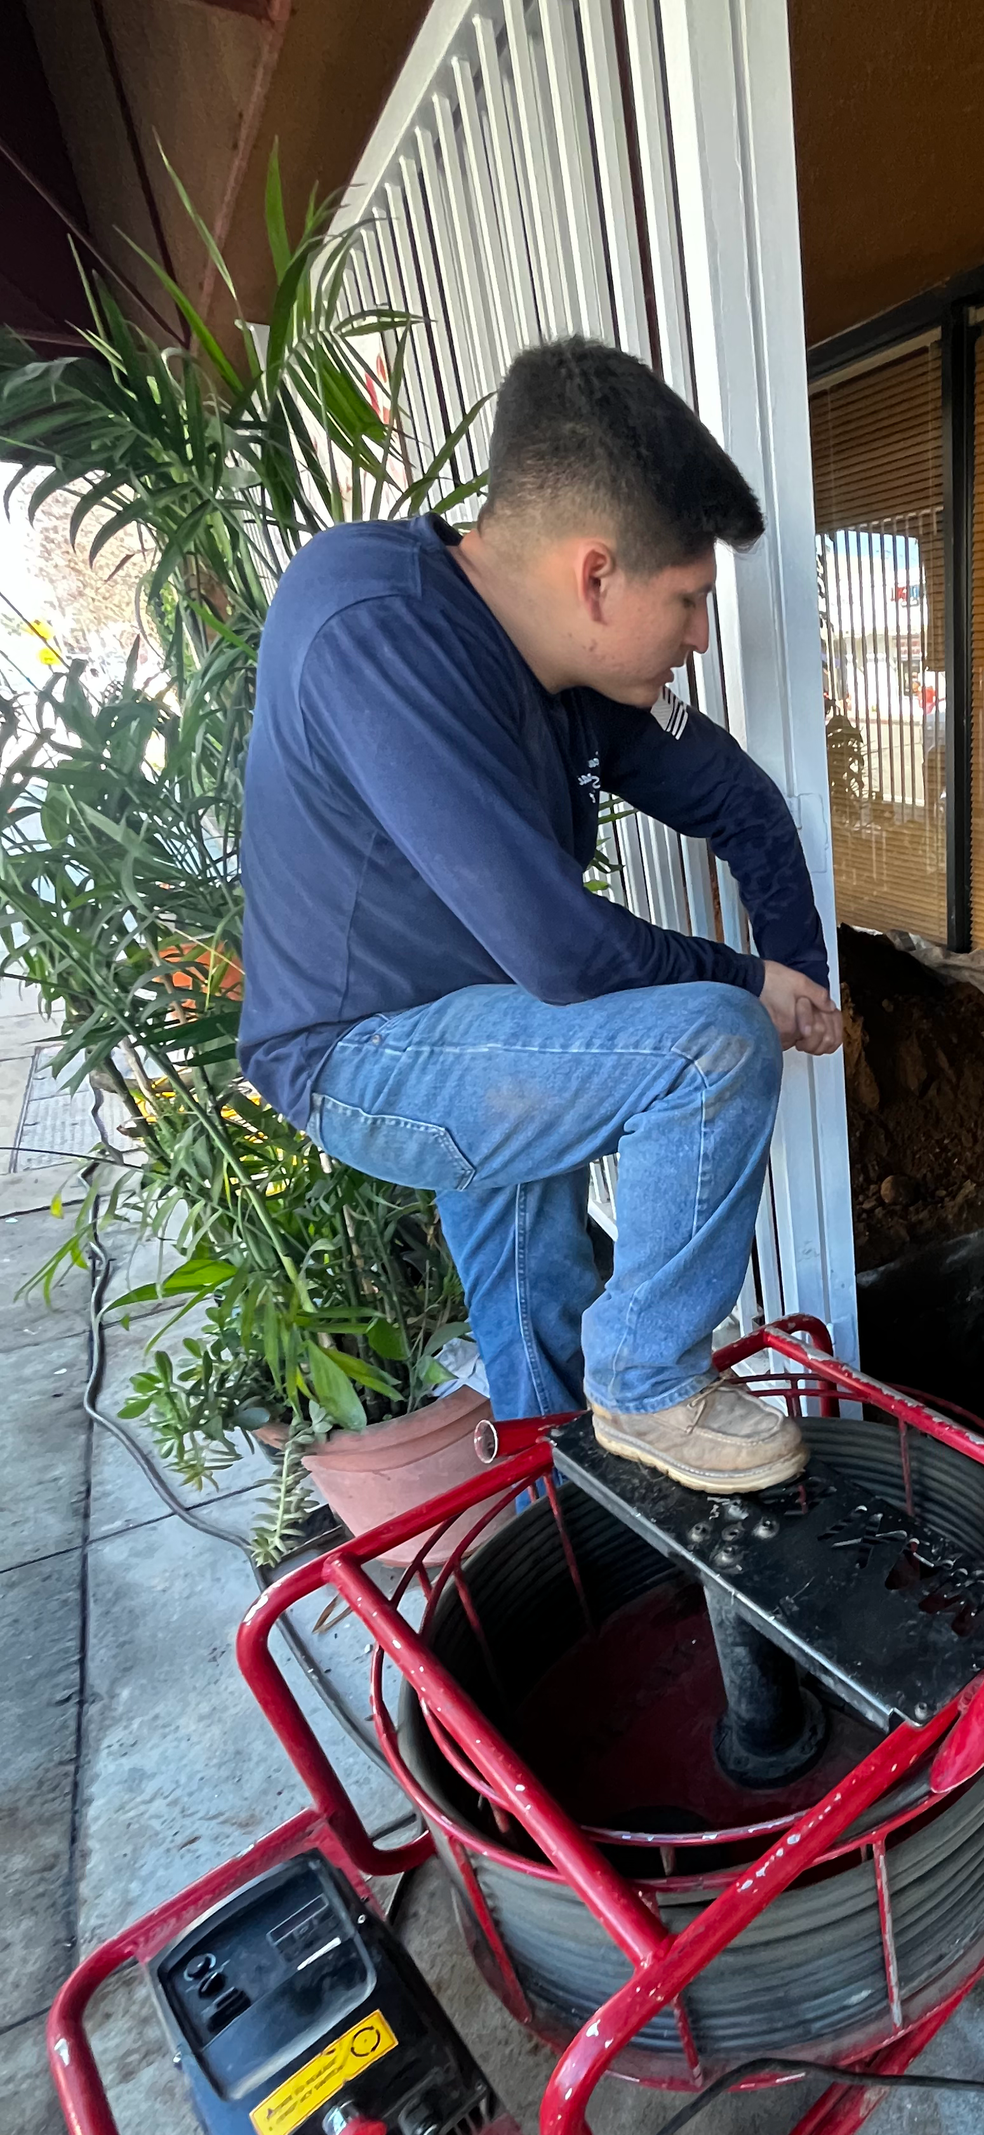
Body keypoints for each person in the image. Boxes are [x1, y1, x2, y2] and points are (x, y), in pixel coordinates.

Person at [239, 338, 843, 1494]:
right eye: (690, 601)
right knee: (711, 1049)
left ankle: (571, 1518)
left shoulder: (574, 681)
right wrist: (751, 991)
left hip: (492, 1029)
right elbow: (564, 950)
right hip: (365, 1054)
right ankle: (654, 1380)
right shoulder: (375, 622)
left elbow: (745, 807)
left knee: (538, 1300)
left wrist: (803, 974)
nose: (701, 639)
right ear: (596, 576)